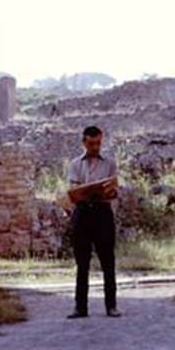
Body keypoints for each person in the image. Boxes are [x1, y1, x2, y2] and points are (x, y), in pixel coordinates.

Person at [66, 125, 121, 318]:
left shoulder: (110, 164)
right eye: (91, 143)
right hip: (82, 215)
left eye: (98, 143)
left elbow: (114, 192)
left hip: (103, 214)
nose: (95, 147)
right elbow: (74, 192)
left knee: (108, 261)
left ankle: (111, 306)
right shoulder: (74, 165)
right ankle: (80, 307)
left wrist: (107, 191)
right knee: (82, 263)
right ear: (84, 142)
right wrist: (89, 191)